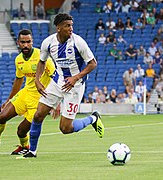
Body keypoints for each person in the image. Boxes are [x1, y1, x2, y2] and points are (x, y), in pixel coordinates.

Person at [20, 13, 104, 158]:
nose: (71, 28)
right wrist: (37, 80)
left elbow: (93, 63)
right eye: (67, 25)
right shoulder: (48, 42)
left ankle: (93, 119)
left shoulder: (78, 42)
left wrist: (75, 78)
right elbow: (41, 61)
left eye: (71, 25)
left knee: (65, 128)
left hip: (75, 87)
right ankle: (32, 151)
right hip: (57, 83)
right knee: (38, 115)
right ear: (58, 28)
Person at [0, 29, 56, 155]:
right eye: (23, 42)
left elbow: (56, 78)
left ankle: (25, 146)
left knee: (21, 131)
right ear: (18, 42)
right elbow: (18, 80)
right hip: (25, 94)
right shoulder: (18, 59)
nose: (25, 45)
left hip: (39, 100)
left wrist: (54, 103)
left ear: (32, 42)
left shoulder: (43, 58)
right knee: (2, 116)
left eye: (28, 42)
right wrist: (9, 100)